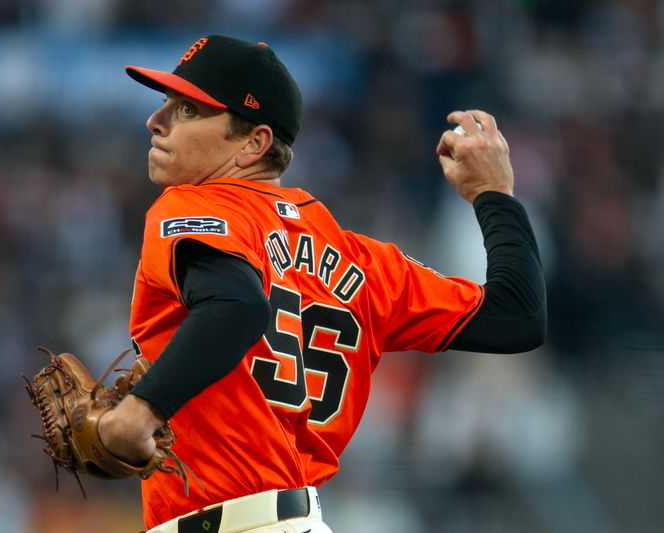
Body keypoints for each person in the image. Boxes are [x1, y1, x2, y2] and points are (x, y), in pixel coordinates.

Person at [96, 35, 546, 532]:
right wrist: (494, 195)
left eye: (186, 109)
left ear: (254, 142)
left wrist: (142, 409)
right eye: (165, 104)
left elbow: (238, 305)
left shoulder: (195, 206)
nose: (155, 121)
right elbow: (516, 317)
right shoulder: (366, 265)